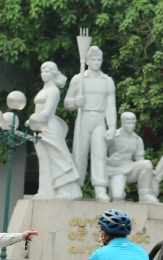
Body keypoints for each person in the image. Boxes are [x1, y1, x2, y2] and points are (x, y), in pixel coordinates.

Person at [63, 46, 117, 202]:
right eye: (93, 59)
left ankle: (100, 189)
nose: (96, 62)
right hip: (83, 118)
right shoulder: (78, 79)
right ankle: (75, 187)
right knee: (79, 154)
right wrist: (74, 101)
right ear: (87, 60)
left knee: (100, 154)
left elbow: (111, 106)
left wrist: (112, 127)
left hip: (99, 120)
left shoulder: (107, 81)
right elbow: (67, 102)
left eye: (99, 59)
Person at [28, 61, 81, 200]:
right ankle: (45, 191)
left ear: (53, 73)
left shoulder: (54, 91)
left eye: (46, 71)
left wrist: (32, 120)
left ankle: (66, 190)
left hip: (48, 126)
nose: (43, 74)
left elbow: (46, 113)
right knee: (43, 159)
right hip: (38, 127)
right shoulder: (43, 90)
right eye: (42, 71)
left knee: (57, 158)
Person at [106, 112, 158, 203]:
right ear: (122, 122)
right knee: (117, 197)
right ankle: (115, 192)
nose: (131, 126)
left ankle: (145, 195)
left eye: (133, 123)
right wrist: (108, 160)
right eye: (129, 123)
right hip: (115, 169)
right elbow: (99, 155)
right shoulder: (113, 136)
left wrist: (149, 171)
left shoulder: (137, 139)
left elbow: (140, 159)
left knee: (147, 164)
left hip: (130, 168)